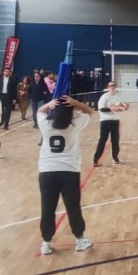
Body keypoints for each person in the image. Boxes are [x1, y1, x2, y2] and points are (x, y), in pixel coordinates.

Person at [35, 95, 94, 255]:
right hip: (69, 171)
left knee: (47, 208)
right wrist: (75, 103)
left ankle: (46, 243)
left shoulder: (45, 124)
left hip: (47, 172)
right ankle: (80, 240)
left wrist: (49, 103)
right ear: (70, 112)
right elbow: (89, 111)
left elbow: (40, 111)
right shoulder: (74, 125)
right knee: (73, 206)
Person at [93, 79, 127, 166]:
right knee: (102, 140)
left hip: (115, 120)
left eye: (113, 86)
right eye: (110, 86)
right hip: (105, 120)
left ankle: (115, 158)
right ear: (108, 87)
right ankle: (96, 160)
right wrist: (111, 109)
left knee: (115, 140)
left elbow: (122, 106)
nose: (112, 87)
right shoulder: (104, 97)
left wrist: (124, 107)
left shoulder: (118, 96)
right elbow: (101, 109)